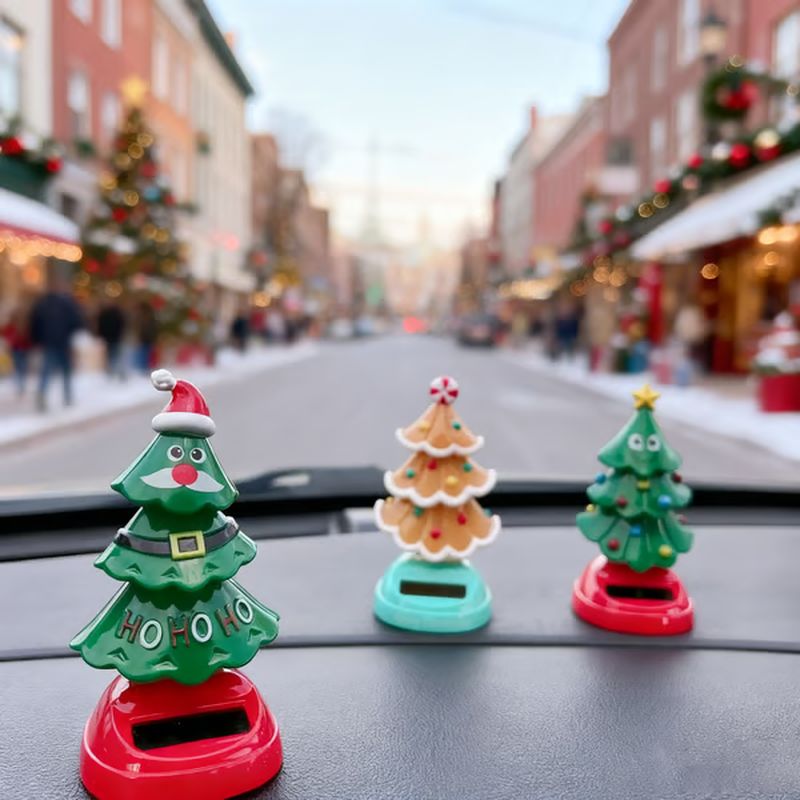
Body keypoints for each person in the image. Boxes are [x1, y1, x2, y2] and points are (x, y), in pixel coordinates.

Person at [29, 274, 84, 411]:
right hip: (60, 342)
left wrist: (37, 339)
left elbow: (34, 324)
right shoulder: (65, 303)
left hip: (53, 342)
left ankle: (53, 394)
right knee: (61, 370)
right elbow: (76, 321)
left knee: (50, 370)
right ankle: (66, 396)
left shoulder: (43, 303)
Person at [1, 307, 32, 396]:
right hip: (20, 349)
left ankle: (19, 384)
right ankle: (21, 384)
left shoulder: (13, 326)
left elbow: (6, 335)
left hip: (17, 349)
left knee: (18, 367)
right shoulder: (22, 325)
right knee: (22, 367)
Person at [96, 301, 127, 380]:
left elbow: (101, 326)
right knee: (114, 356)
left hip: (113, 337)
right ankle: (116, 373)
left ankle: (116, 373)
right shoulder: (113, 314)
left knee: (114, 356)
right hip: (112, 337)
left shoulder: (107, 314)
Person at [134, 301, 158, 374]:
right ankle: (144, 368)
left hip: (146, 339)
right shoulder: (150, 317)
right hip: (148, 339)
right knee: (145, 354)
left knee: (144, 354)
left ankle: (143, 369)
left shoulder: (146, 318)